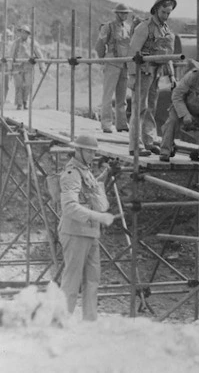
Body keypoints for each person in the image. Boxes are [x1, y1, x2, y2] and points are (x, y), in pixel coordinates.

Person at [58, 134, 116, 321]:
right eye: (89, 151)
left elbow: (93, 196)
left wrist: (105, 175)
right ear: (78, 150)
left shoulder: (85, 171)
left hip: (90, 233)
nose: (92, 155)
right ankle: (61, 325)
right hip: (75, 232)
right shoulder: (72, 173)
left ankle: (89, 324)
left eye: (93, 151)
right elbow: (69, 207)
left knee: (93, 281)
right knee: (72, 283)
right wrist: (98, 216)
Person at [127, 0, 177, 156]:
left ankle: (148, 141)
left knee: (150, 108)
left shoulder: (166, 30)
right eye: (163, 12)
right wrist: (133, 76)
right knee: (139, 108)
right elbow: (132, 52)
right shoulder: (144, 27)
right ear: (156, 9)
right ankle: (135, 145)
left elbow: (167, 53)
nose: (166, 16)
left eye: (168, 13)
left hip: (156, 72)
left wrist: (172, 75)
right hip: (143, 71)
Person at [95, 3, 133, 133]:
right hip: (112, 63)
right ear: (116, 14)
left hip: (124, 64)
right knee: (108, 95)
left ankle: (121, 123)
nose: (125, 15)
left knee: (122, 97)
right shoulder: (108, 27)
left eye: (126, 13)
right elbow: (100, 44)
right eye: (122, 13)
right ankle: (106, 123)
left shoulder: (128, 28)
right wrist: (102, 58)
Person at [10, 24, 44, 110]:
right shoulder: (16, 42)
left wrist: (41, 67)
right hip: (18, 67)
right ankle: (19, 103)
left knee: (28, 85)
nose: (22, 34)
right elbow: (11, 55)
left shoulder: (33, 43)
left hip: (28, 67)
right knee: (18, 85)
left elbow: (40, 55)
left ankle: (25, 102)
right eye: (21, 32)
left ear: (28, 34)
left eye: (24, 32)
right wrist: (10, 67)